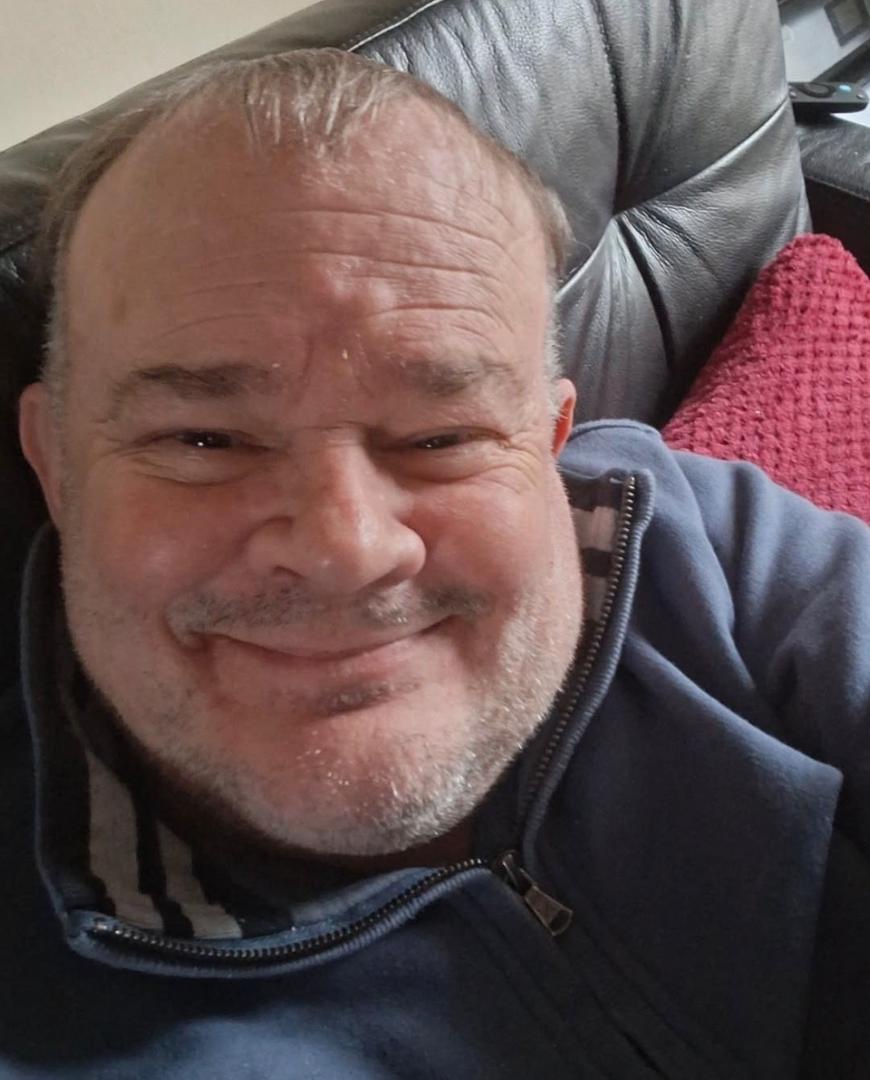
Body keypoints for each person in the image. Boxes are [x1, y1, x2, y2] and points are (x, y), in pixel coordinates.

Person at [3, 48, 868, 1079]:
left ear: (549, 445)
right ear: (57, 466)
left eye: (441, 436)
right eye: (204, 440)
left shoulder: (695, 538)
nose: (346, 549)